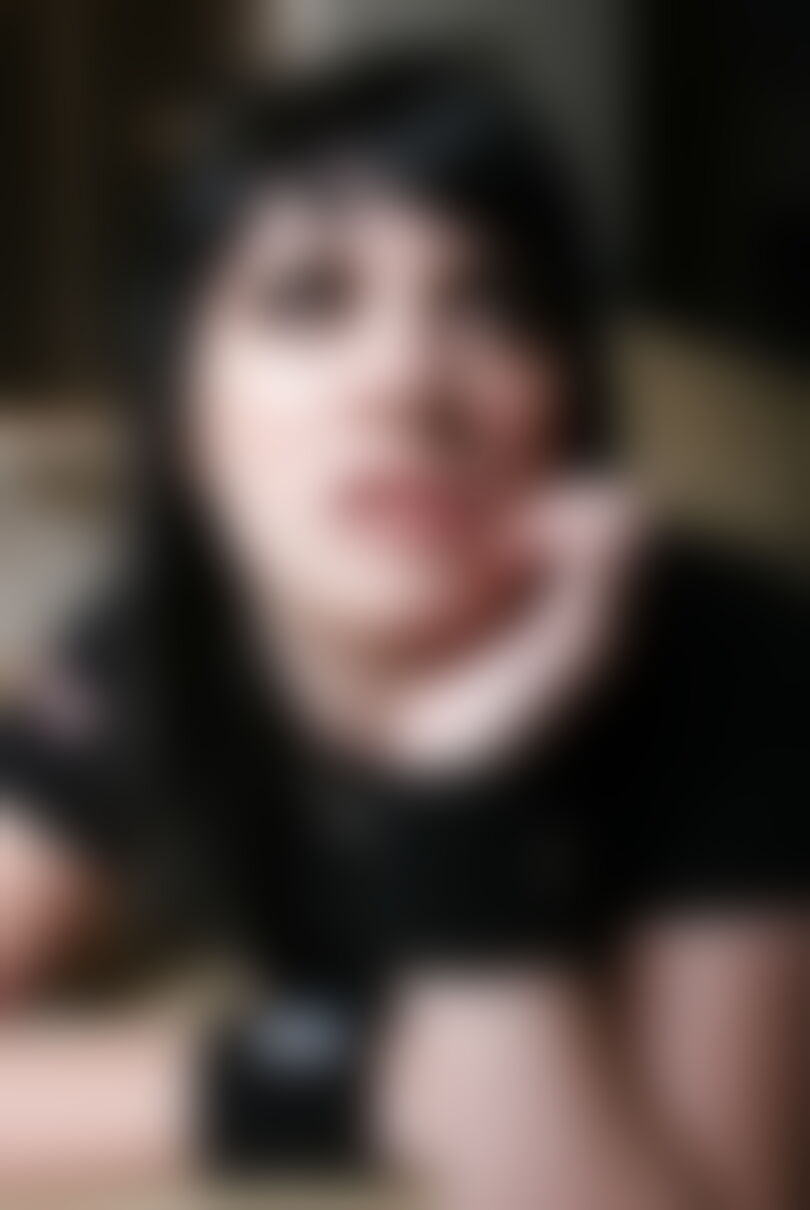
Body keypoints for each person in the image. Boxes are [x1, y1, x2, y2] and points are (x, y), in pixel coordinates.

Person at [0, 51, 806, 1207]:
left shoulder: (739, 669)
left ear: (563, 409)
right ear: (186, 420)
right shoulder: (153, 649)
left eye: (493, 306)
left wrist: (460, 782)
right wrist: (326, 1084)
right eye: (308, 302)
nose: (406, 381)